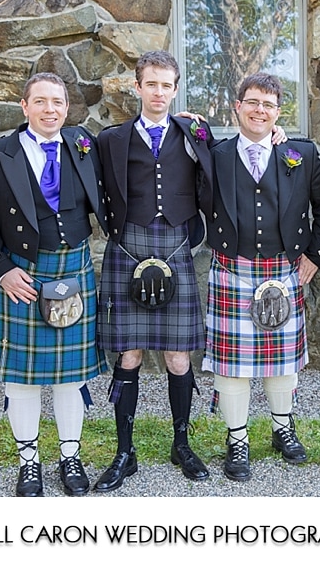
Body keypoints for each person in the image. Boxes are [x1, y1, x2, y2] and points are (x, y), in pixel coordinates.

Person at [0, 72, 109, 496]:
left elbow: (136, 145)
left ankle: (70, 456)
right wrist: (2, 270)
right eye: (42, 102)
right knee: (23, 378)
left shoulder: (84, 145)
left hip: (74, 266)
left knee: (72, 377)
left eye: (59, 103)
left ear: (68, 108)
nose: (51, 110)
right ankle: (29, 461)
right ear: (24, 106)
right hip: (23, 272)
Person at [197, 72, 320, 481]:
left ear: (278, 114)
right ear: (237, 107)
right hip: (232, 268)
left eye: (269, 105)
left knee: (283, 362)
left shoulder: (301, 154)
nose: (260, 110)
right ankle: (236, 438)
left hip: (283, 267)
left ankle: (281, 428)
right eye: (253, 102)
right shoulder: (215, 155)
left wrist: (315, 254)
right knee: (231, 365)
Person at [92, 51, 215, 490]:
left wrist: (277, 135)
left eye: (167, 85)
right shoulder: (112, 139)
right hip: (129, 246)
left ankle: (181, 444)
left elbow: (223, 166)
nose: (159, 92)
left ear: (176, 89)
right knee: (129, 354)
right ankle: (125, 453)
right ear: (137, 87)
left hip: (177, 244)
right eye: (151, 84)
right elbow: (96, 185)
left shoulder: (195, 133)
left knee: (179, 356)